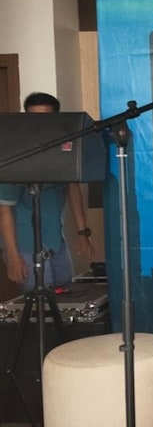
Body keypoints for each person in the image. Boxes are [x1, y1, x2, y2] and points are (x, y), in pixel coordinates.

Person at [0, 92, 95, 293]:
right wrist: (13, 255)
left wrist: (83, 233)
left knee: (64, 295)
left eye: (45, 117)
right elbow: (4, 210)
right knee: (39, 301)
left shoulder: (63, 149)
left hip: (55, 241)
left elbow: (72, 188)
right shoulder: (16, 152)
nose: (39, 123)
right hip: (25, 245)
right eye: (33, 117)